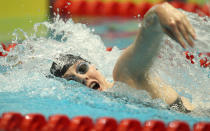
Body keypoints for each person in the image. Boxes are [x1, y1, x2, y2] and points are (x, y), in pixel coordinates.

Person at [50, 2, 196, 113]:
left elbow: (145, 40)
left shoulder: (123, 76)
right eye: (72, 80)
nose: (83, 78)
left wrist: (160, 10)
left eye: (82, 69)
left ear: (94, 66)